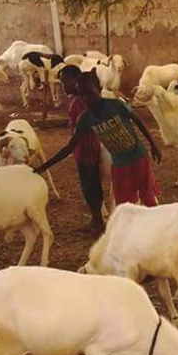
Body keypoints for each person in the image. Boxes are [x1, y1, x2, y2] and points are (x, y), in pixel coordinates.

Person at [34, 70, 162, 207]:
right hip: (119, 164)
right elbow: (70, 147)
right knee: (123, 205)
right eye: (82, 95)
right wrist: (43, 167)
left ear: (99, 90)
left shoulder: (116, 105)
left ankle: (158, 224)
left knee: (148, 197)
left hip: (138, 158)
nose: (86, 98)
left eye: (89, 93)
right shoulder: (85, 118)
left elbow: (138, 121)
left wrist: (153, 145)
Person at [60, 64, 104, 234]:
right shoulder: (77, 100)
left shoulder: (83, 101)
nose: (63, 86)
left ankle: (98, 222)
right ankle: (95, 219)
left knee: (91, 186)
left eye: (65, 81)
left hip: (87, 149)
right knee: (87, 187)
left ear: (75, 80)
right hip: (80, 149)